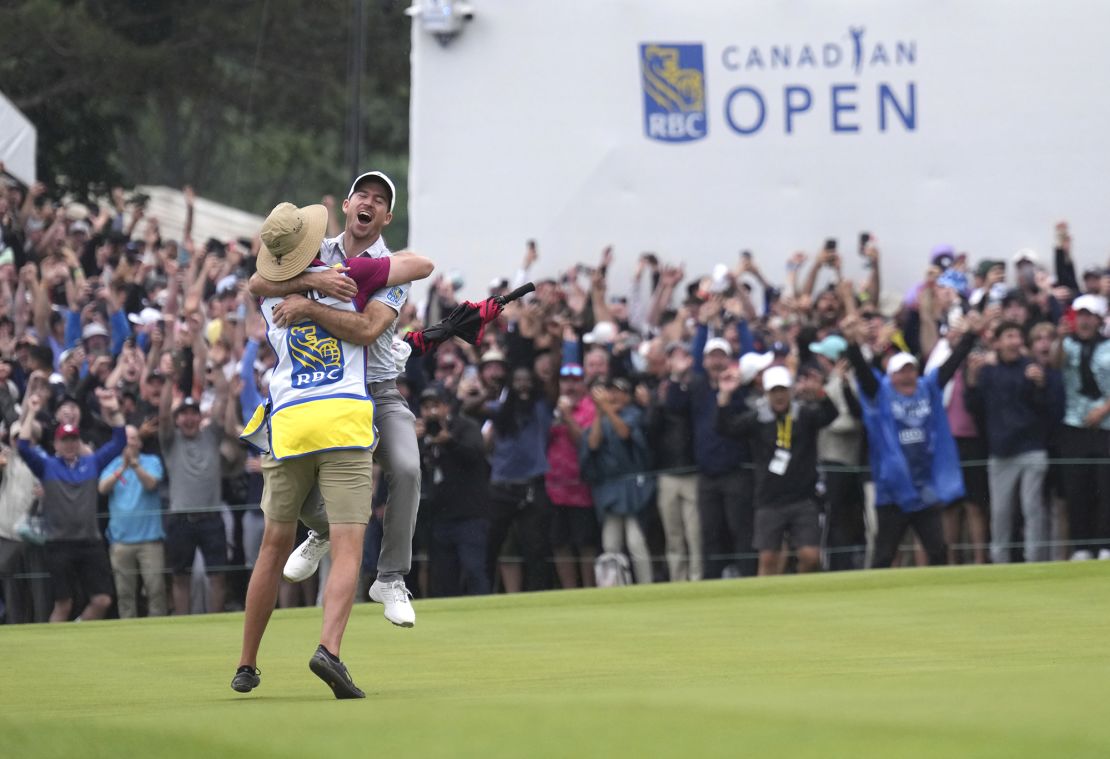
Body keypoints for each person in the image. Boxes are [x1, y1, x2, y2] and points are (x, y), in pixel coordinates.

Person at [233, 201, 431, 698]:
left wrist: (303, 289)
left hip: (289, 423)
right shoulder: (347, 276)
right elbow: (403, 283)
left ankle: (246, 664)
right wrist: (322, 287)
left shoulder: (268, 294)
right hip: (342, 417)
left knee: (270, 549)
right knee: (349, 544)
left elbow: (257, 283)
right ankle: (330, 650)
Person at [842, 310, 984, 568]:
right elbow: (863, 373)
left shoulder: (927, 390)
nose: (907, 376)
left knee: (938, 551)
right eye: (901, 372)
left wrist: (971, 335)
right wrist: (852, 344)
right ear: (891, 376)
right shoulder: (881, 395)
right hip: (893, 490)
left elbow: (951, 365)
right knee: (884, 554)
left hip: (924, 489)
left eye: (911, 371)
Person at [715, 365, 838, 575]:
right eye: (774, 391)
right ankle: (766, 604)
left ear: (790, 391)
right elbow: (725, 427)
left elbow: (830, 415)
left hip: (804, 498)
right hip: (769, 500)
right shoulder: (758, 419)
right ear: (767, 393)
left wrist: (820, 392)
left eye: (782, 390)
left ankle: (803, 596)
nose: (779, 396)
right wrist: (725, 395)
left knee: (811, 557)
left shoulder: (804, 415)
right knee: (768, 559)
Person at [16, 388, 126, 622]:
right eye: (64, 440)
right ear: (55, 443)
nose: (69, 444)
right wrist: (32, 413)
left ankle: (77, 632)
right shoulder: (48, 466)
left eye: (73, 439)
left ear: (79, 441)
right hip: (59, 544)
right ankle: (54, 651)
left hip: (89, 542)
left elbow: (119, 441)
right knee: (63, 604)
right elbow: (24, 447)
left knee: (102, 600)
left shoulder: (91, 463)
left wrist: (114, 410)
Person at [965, 321, 1063, 563]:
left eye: (1018, 336)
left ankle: (1034, 562)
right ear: (997, 342)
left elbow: (1049, 410)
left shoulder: (1032, 368)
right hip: (1000, 452)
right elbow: (974, 407)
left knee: (1033, 510)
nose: (1015, 342)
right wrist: (972, 378)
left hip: (1032, 449)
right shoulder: (988, 371)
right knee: (1000, 513)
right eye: (1009, 336)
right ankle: (1000, 564)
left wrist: (1040, 385)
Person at [159, 352, 231, 615]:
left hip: (211, 517)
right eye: (184, 414)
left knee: (218, 575)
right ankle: (181, 622)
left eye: (194, 413)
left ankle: (215, 621)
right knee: (180, 576)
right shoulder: (170, 440)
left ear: (200, 416)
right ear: (179, 419)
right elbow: (163, 416)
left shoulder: (211, 434)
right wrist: (168, 382)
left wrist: (220, 368)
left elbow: (223, 399)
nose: (189, 419)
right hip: (181, 518)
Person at [418, 385, 491, 597]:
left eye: (436, 406)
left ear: (446, 407)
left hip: (470, 515)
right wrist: (411, 442)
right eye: (426, 407)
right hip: (439, 516)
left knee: (473, 570)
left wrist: (449, 442)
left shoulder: (465, 426)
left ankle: (485, 613)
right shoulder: (422, 436)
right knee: (442, 576)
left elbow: (475, 456)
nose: (431, 412)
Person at [579, 377, 654, 583]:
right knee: (610, 544)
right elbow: (593, 444)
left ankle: (646, 585)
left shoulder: (633, 414)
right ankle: (613, 585)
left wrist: (606, 409)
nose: (614, 396)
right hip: (609, 489)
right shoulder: (600, 418)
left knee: (635, 542)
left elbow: (624, 433)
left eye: (620, 391)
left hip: (632, 490)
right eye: (611, 391)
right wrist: (599, 413)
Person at [1053, 294, 1110, 560]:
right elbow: (1054, 363)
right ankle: (1082, 547)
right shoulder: (1067, 345)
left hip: (1106, 427)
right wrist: (1058, 338)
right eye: (1080, 316)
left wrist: (1104, 409)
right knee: (1077, 489)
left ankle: (1105, 546)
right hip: (1074, 425)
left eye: (1089, 316)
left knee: (1105, 488)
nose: (1084, 321)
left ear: (1099, 319)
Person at [98, 422, 167, 618]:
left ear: (140, 443)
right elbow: (102, 488)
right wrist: (122, 468)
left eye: (134, 438)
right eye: (126, 439)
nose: (130, 443)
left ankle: (159, 633)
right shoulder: (113, 465)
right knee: (125, 594)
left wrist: (135, 466)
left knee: (156, 591)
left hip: (150, 540)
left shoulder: (151, 461)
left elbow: (151, 484)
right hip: (121, 542)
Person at [546, 362, 599, 588]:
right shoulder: (552, 407)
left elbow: (585, 444)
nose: (570, 387)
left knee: (585, 542)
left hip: (582, 487)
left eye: (575, 382)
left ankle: (588, 588)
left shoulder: (590, 408)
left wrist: (567, 417)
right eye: (566, 382)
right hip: (554, 487)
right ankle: (569, 590)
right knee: (560, 542)